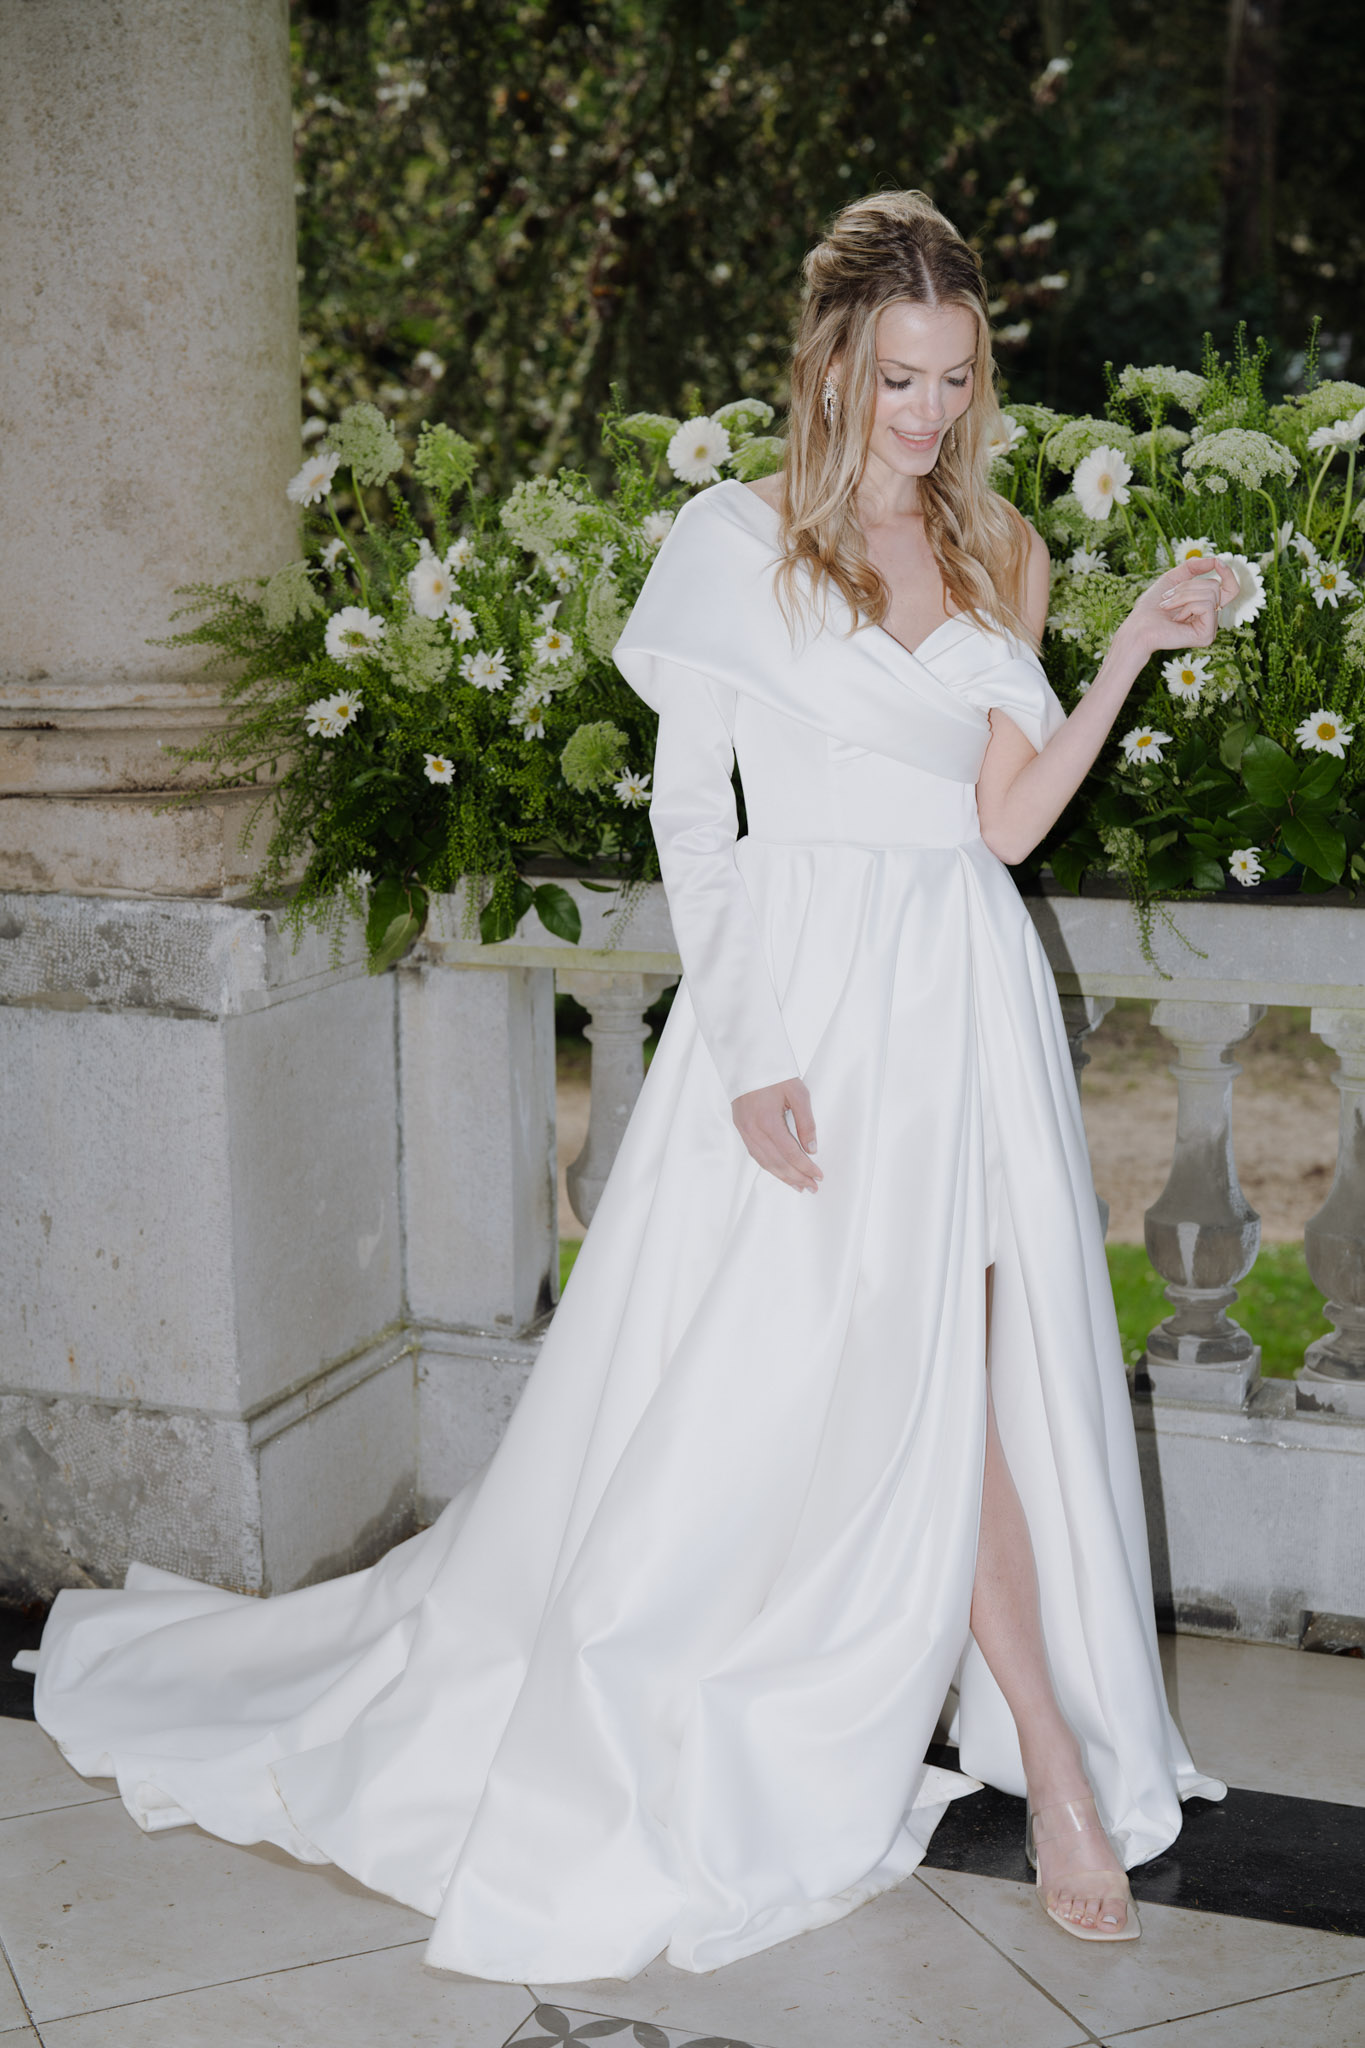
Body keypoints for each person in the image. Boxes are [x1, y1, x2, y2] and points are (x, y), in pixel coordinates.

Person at [19, 189, 1230, 1978]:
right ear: (831, 364)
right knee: (786, 1381)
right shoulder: (731, 538)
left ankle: (1049, 1750)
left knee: (968, 1364)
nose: (928, 413)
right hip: (800, 997)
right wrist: (746, 1051)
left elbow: (1000, 820)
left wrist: (1124, 654)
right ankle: (917, 1711)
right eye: (898, 377)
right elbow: (691, 814)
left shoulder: (1002, 550)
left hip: (955, 990)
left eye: (955, 378)